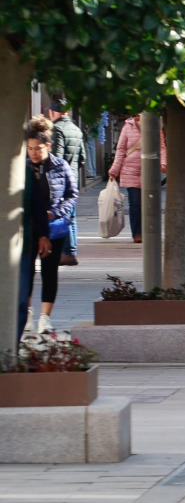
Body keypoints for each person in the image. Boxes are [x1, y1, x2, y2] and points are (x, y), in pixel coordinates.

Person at [19, 116, 76, 337]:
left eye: (38, 148)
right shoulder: (22, 168)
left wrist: (56, 212)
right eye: (30, 148)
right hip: (28, 228)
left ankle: (45, 318)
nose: (34, 153)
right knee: (26, 272)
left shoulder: (60, 166)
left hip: (53, 227)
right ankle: (26, 314)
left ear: (48, 146)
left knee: (49, 272)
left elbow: (72, 195)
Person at [108, 114, 167, 243]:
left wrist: (163, 163)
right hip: (130, 170)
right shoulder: (128, 127)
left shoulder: (155, 126)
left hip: (150, 171)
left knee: (149, 204)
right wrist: (114, 170)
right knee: (135, 204)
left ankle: (149, 231)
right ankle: (137, 234)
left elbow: (162, 147)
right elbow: (121, 149)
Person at [47, 100, 85, 266]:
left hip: (60, 180)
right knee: (71, 215)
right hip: (73, 177)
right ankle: (71, 251)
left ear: (53, 112)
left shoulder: (57, 129)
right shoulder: (76, 129)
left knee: (62, 214)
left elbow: (56, 157)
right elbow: (82, 157)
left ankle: (67, 252)